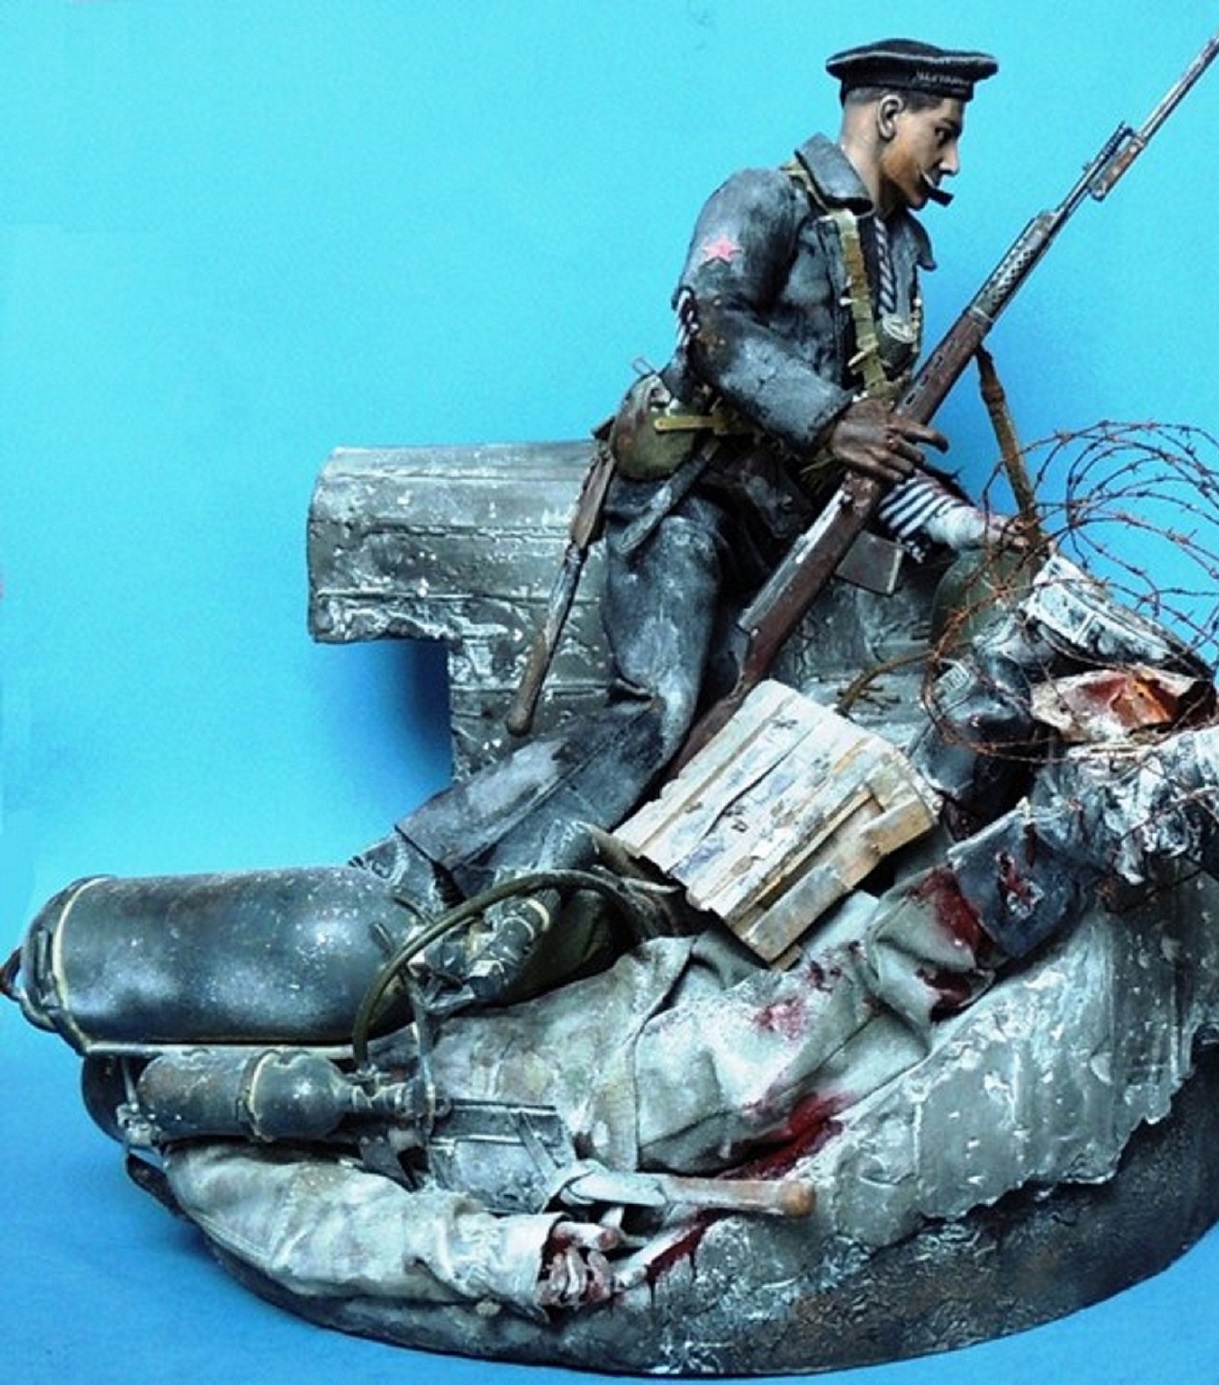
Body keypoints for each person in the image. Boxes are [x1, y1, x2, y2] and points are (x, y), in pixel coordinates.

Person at [369, 39, 1011, 916]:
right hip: (691, 502)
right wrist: (831, 419)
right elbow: (712, 327)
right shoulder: (764, 199)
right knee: (657, 712)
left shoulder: (897, 250)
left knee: (750, 725)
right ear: (888, 115)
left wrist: (965, 527)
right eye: (943, 132)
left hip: (781, 524)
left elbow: (876, 447)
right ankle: (456, 879)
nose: (953, 160)